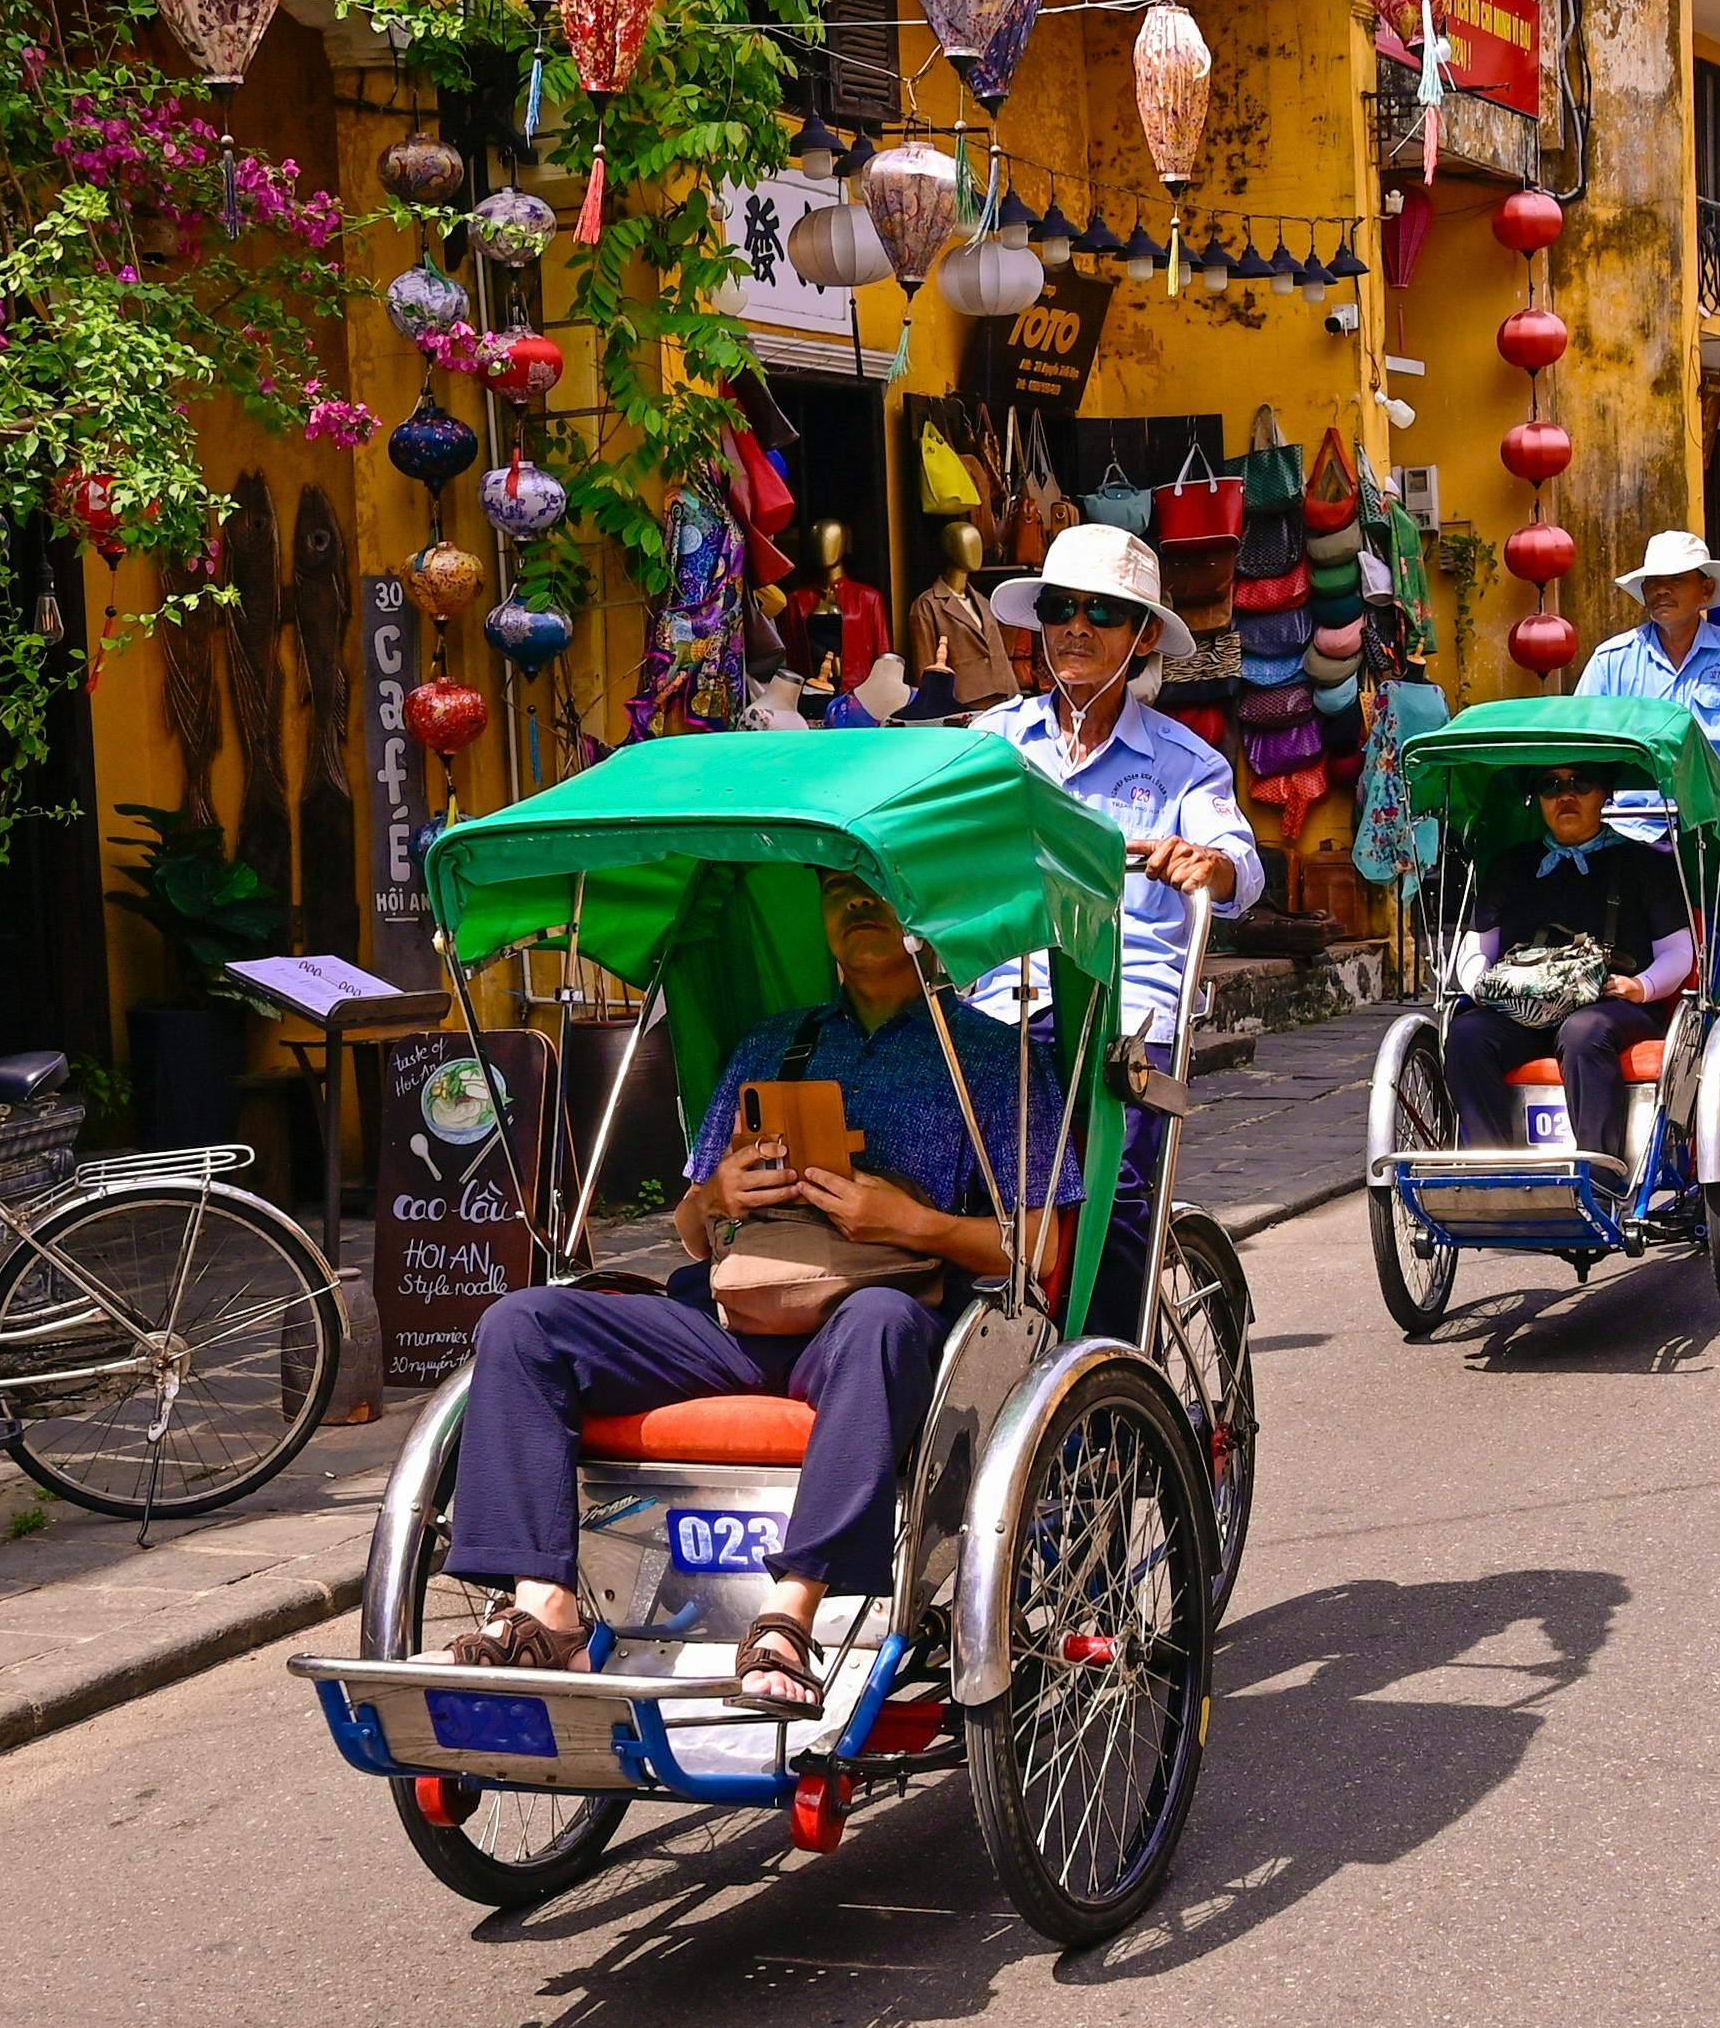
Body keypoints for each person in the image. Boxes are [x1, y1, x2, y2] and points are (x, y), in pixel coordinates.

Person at [435, 872, 1076, 1708]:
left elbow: (1037, 1245)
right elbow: (692, 1229)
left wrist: (909, 1223)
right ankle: (544, 1613)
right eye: (839, 888)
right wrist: (718, 1195)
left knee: (880, 1320)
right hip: (734, 1322)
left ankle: (787, 1617)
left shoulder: (994, 1060)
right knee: (523, 1321)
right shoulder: (774, 1045)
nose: (858, 904)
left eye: (879, 883)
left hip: (876, 1328)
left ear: (924, 907)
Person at [976, 522, 1265, 1330]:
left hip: (1128, 1014)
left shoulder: (1185, 762)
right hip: (1002, 1003)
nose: (1074, 626)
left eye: (1100, 612)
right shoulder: (990, 745)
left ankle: (1107, 1368)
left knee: (1117, 1184)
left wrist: (1205, 862)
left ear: (1140, 638)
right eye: (1060, 608)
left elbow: (1239, 866)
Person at [1449, 758, 1701, 1157]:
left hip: (1614, 1007)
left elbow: (1678, 953)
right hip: (1523, 1011)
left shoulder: (1645, 864)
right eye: (1550, 786)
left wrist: (1640, 987)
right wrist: (1485, 989)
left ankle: (1599, 1174)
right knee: (1467, 1034)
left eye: (1580, 783)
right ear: (1538, 800)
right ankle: (1492, 1168)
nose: (1566, 795)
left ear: (1604, 794)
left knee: (1582, 1032)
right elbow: (1476, 950)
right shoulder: (1512, 865)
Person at [1578, 530, 1720, 839]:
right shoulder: (1611, 660)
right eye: (1653, 582)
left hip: (1709, 827)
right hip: (1627, 830)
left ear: (1705, 590)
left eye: (1676, 579)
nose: (1662, 590)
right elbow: (1582, 743)